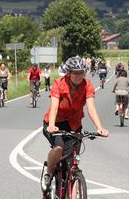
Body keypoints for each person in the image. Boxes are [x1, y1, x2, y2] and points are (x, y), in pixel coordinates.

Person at [41, 57, 109, 191]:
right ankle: (48, 173)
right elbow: (54, 107)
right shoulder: (59, 84)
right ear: (68, 73)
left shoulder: (87, 85)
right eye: (75, 73)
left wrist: (99, 127)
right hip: (55, 122)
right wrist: (52, 126)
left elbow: (91, 108)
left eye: (81, 72)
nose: (78, 76)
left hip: (74, 124)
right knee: (59, 148)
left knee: (72, 162)